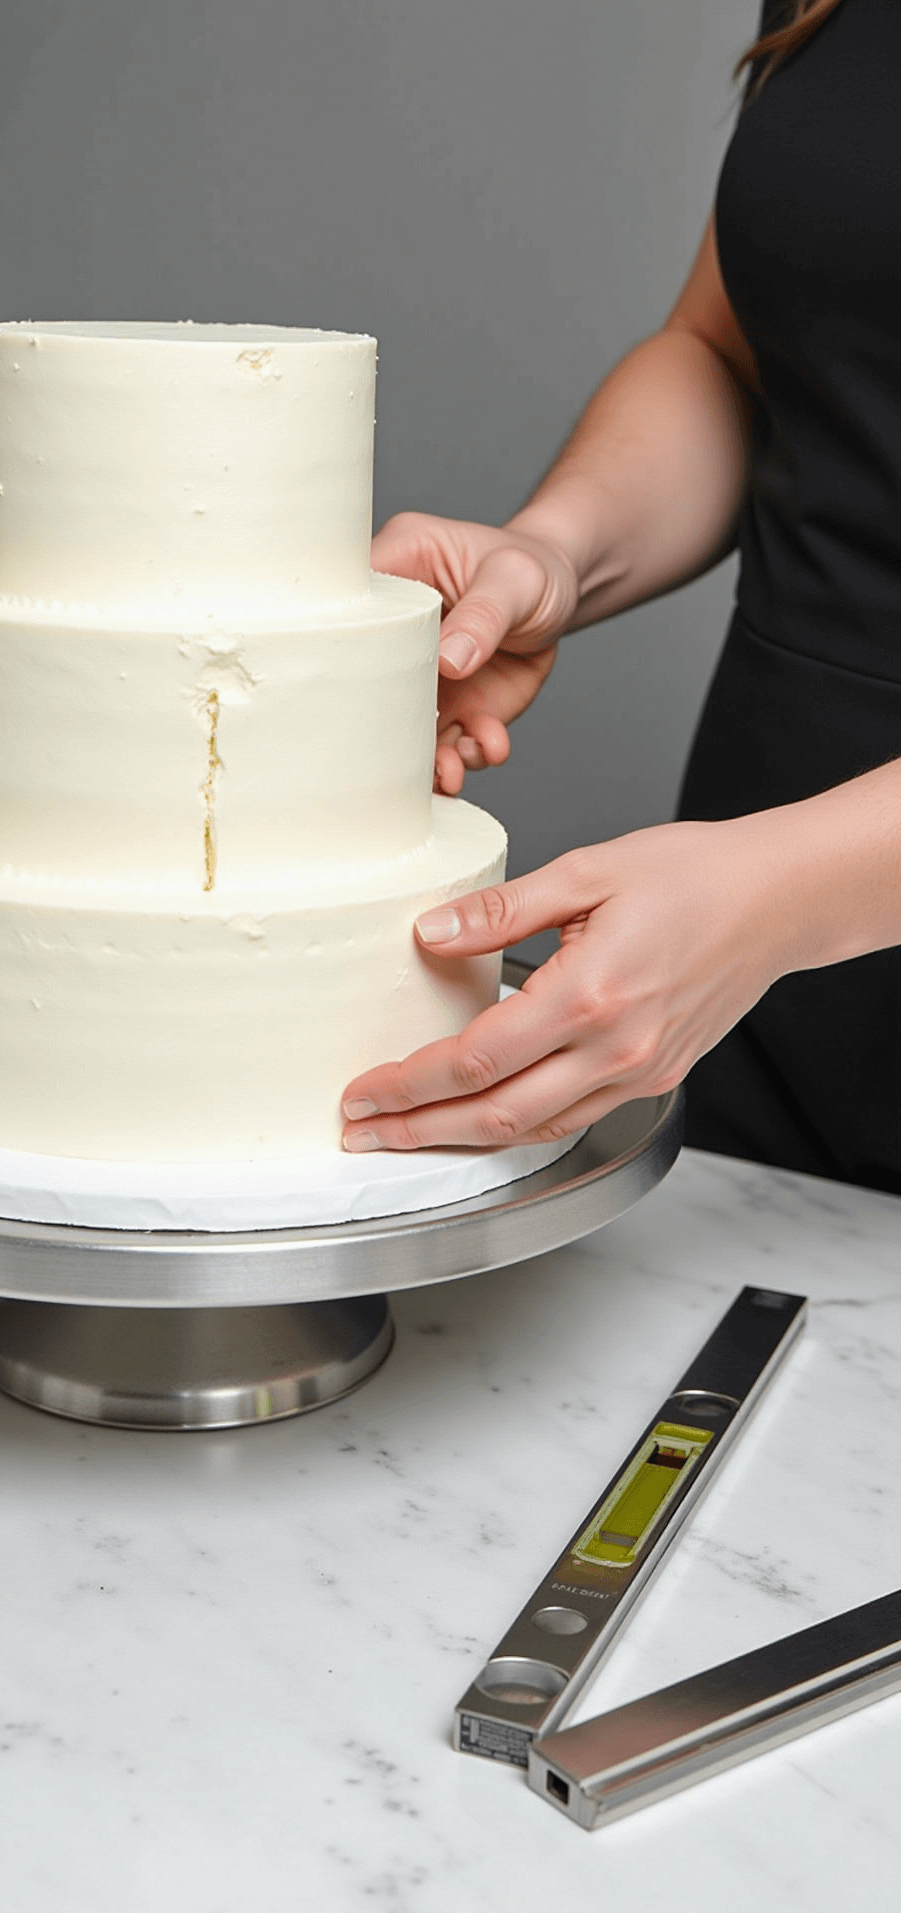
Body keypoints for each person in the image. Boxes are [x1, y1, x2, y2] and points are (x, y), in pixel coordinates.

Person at [341, 0, 901, 1195]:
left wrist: (782, 892)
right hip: (750, 973)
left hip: (762, 905)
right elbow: (730, 351)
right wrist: (554, 551)